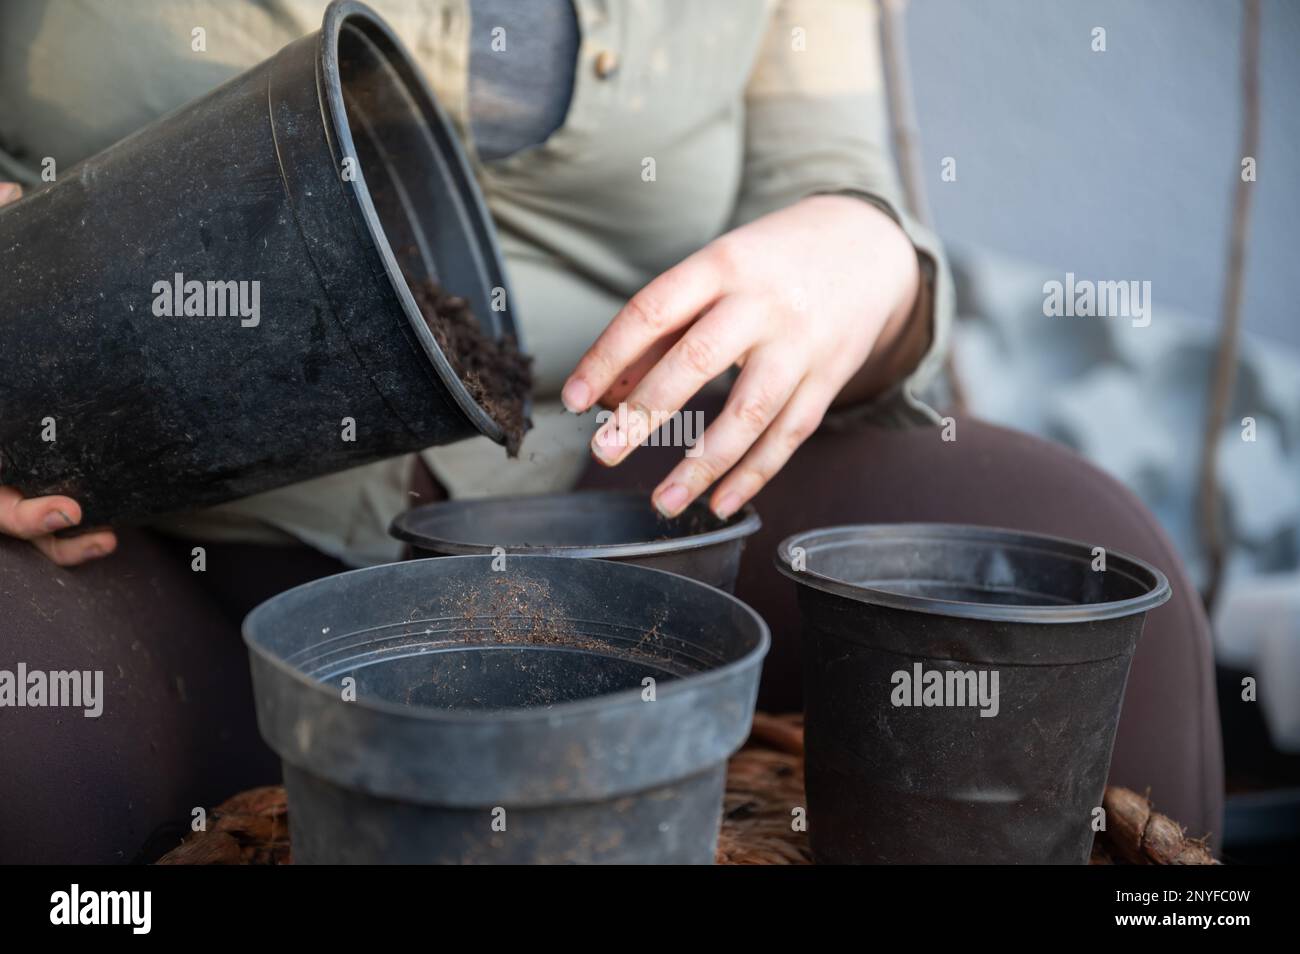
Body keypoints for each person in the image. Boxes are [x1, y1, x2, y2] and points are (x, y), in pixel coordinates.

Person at [0, 0, 1222, 850]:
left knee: (1075, 573)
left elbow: (837, 178)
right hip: (159, 521)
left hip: (648, 512)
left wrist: (863, 254)